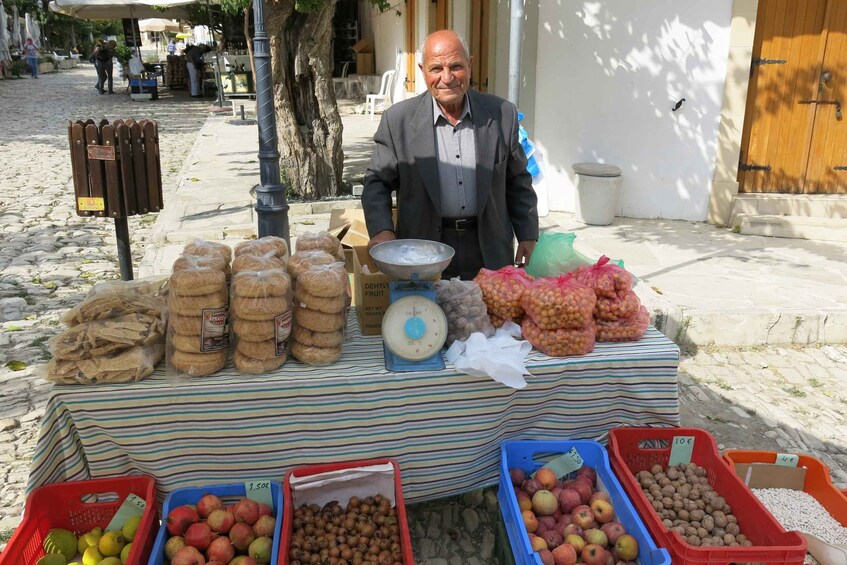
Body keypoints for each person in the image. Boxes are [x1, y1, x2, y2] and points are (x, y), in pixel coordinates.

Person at [361, 30, 539, 280]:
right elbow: (376, 182)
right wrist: (381, 230)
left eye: (456, 66)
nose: (447, 78)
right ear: (423, 71)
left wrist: (528, 232)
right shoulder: (397, 120)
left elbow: (518, 179)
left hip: (488, 248)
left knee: (491, 317)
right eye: (436, 69)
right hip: (422, 251)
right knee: (430, 317)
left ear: (471, 65)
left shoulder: (501, 114)